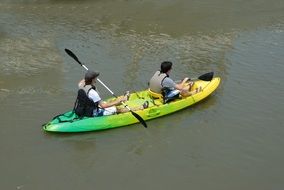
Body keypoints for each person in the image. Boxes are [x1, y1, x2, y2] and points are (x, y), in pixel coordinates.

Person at [75, 70, 148, 117]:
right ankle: (140, 107)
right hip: (93, 112)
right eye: (95, 78)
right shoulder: (93, 93)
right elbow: (103, 106)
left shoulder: (81, 85)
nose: (97, 79)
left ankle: (124, 99)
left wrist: (89, 75)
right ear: (92, 79)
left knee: (109, 102)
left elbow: (84, 80)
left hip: (87, 108)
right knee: (116, 109)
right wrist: (117, 101)